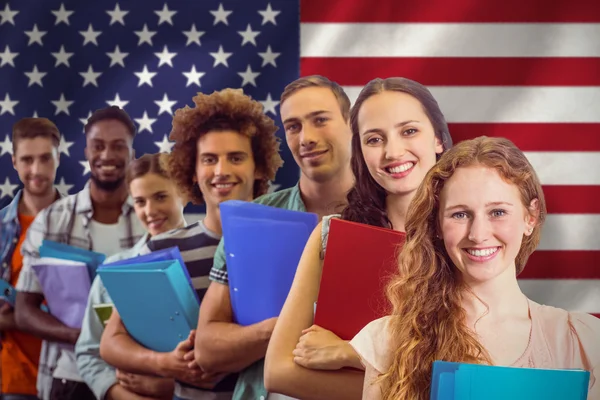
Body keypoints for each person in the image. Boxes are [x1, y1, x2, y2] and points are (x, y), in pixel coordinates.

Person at [350, 136, 600, 399]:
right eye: (460, 214)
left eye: (498, 212)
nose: (478, 234)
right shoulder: (388, 341)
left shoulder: (582, 341)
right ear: (436, 224)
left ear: (530, 217)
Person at [264, 77, 453, 400]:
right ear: (360, 150)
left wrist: (350, 353)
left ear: (437, 138)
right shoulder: (331, 235)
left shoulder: (469, 238)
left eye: (409, 131)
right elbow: (278, 371)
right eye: (374, 139)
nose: (393, 152)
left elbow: (466, 370)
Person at [99, 88, 284, 400]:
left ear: (259, 167)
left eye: (235, 158)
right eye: (209, 159)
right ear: (193, 171)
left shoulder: (287, 244)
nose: (221, 171)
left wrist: (229, 354)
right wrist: (167, 364)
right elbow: (111, 342)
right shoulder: (160, 248)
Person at [194, 75, 355, 400]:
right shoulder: (248, 220)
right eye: (293, 126)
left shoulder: (391, 217)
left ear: (351, 124)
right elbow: (207, 349)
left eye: (320, 120)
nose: (306, 137)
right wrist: (283, 327)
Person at [14, 106, 146, 400]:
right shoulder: (51, 220)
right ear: (86, 150)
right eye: (98, 146)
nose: (107, 155)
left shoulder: (150, 220)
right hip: (68, 379)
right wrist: (85, 337)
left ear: (132, 152)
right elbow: (24, 311)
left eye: (118, 146)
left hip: (137, 378)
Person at [75, 153, 188, 400]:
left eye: (160, 197)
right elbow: (88, 352)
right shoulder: (115, 269)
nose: (150, 211)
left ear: (185, 193)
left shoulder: (211, 259)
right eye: (139, 202)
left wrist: (170, 388)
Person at [0, 118, 63, 400]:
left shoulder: (84, 222)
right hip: (13, 381)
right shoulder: (2, 227)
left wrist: (17, 318)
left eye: (44, 159)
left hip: (71, 376)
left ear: (58, 158)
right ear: (14, 161)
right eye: (27, 160)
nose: (36, 170)